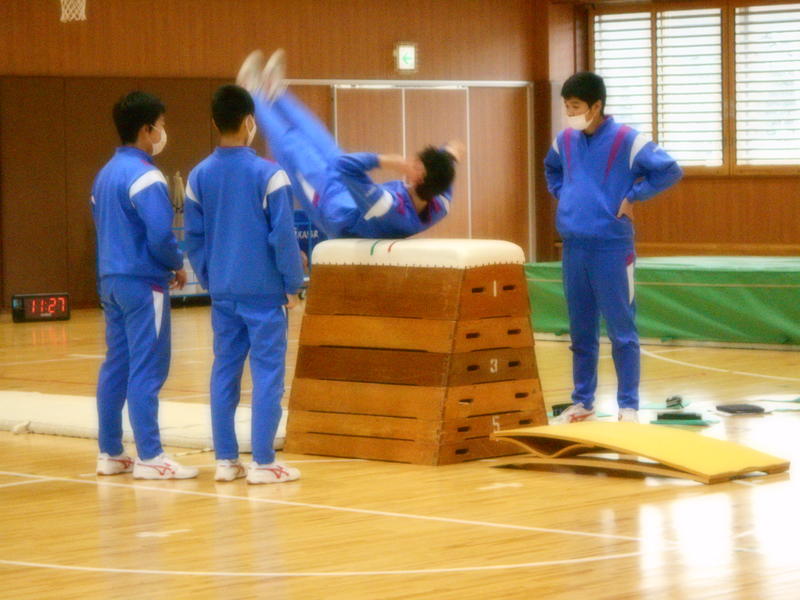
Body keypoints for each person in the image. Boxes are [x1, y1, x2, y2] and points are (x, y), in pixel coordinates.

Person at [544, 71, 682, 424]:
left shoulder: (627, 139)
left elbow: (669, 170)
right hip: (574, 247)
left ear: (596, 106)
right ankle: (583, 402)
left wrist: (633, 196)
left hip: (612, 248)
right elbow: (551, 169)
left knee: (622, 330)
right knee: (581, 332)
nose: (569, 113)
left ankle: (628, 406)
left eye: (575, 106)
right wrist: (565, 194)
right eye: (566, 106)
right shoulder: (564, 140)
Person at [183, 84, 305, 484]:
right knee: (268, 376)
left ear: (214, 122)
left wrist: (212, 278)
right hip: (265, 294)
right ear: (250, 121)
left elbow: (194, 239)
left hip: (223, 292)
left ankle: (226, 460)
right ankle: (264, 463)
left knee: (225, 372)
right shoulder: (270, 174)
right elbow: (283, 236)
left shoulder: (199, 175)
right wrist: (293, 284)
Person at [236, 49, 464, 240]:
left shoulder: (388, 208)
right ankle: (276, 94)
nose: (410, 163)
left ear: (419, 177)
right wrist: (451, 152)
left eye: (415, 165)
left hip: (331, 206)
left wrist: (388, 161)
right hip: (348, 192)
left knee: (294, 146)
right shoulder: (440, 198)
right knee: (319, 135)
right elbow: (449, 160)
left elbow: (345, 166)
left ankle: (251, 92)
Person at [92, 91, 197, 479]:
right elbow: (159, 235)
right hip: (142, 283)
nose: (164, 132)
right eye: (162, 125)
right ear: (147, 129)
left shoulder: (105, 175)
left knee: (117, 365)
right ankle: (151, 457)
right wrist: (176, 264)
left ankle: (110, 452)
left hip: (110, 281)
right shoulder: (146, 175)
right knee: (147, 367)